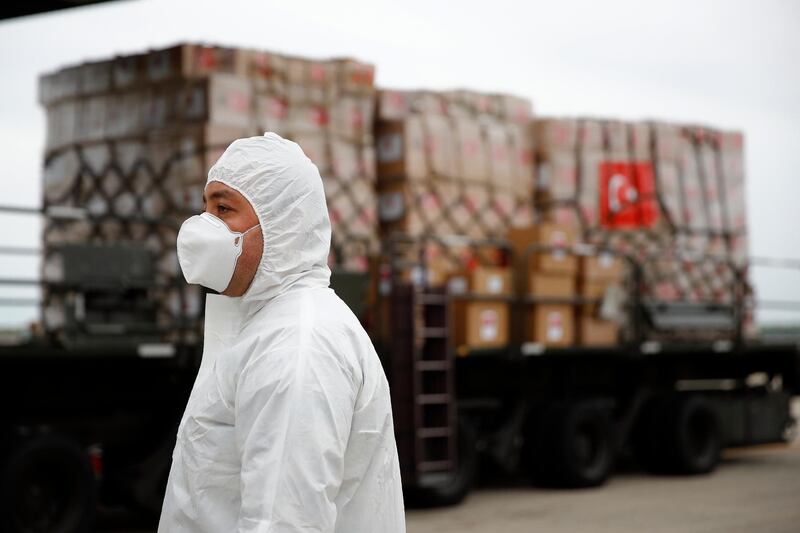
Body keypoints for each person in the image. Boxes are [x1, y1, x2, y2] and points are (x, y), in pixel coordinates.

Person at [158, 132, 406, 533]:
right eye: (205, 206)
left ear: (282, 222)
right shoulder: (266, 325)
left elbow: (285, 520)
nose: (203, 225)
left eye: (224, 208)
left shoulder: (297, 344)